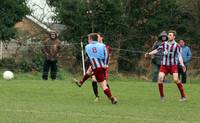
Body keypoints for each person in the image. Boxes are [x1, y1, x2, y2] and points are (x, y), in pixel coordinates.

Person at [73, 33, 117, 104]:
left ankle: (112, 98)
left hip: (96, 68)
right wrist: (105, 64)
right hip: (103, 66)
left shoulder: (87, 46)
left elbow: (87, 57)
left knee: (103, 85)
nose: (88, 40)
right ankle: (81, 82)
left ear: (90, 39)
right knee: (90, 70)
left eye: (88, 39)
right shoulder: (103, 46)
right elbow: (107, 55)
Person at [145, 30, 187, 102]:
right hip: (164, 65)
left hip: (173, 65)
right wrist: (149, 53)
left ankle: (183, 96)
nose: (169, 36)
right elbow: (157, 50)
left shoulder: (177, 46)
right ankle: (162, 97)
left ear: (174, 37)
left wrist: (182, 64)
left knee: (176, 80)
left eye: (170, 35)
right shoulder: (164, 44)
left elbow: (179, 56)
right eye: (168, 35)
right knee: (160, 79)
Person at [91, 32, 111, 102]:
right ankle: (97, 96)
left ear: (101, 38)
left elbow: (107, 56)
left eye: (98, 37)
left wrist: (106, 64)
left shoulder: (105, 46)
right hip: (94, 65)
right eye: (96, 37)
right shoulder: (93, 46)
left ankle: (110, 96)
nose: (97, 38)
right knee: (93, 80)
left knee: (103, 83)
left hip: (102, 66)